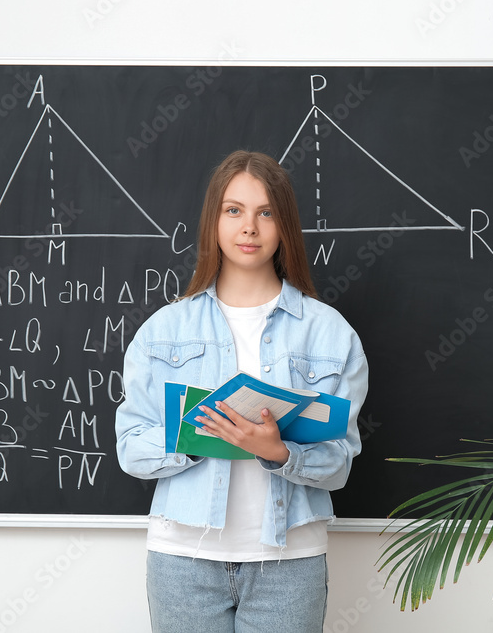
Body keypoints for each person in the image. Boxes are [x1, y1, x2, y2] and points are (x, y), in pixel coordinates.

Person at [115, 150, 369, 633]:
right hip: (183, 557)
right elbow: (131, 448)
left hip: (289, 560)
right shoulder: (163, 330)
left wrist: (279, 454)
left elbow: (339, 462)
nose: (248, 227)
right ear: (214, 221)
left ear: (284, 226)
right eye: (234, 210)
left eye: (265, 212)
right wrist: (193, 436)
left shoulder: (331, 334)